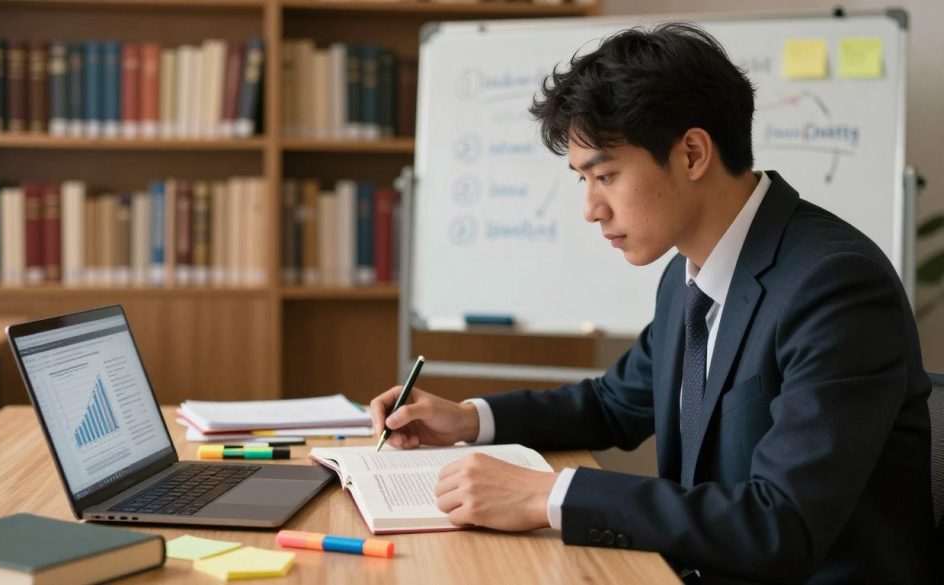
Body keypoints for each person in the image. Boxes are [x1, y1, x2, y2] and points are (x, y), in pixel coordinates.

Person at [370, 22, 933, 584]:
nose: (591, 208)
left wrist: (549, 495)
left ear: (692, 154)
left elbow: (780, 524)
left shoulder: (834, 286)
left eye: (606, 175)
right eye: (583, 180)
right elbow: (612, 403)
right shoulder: (685, 275)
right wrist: (468, 420)